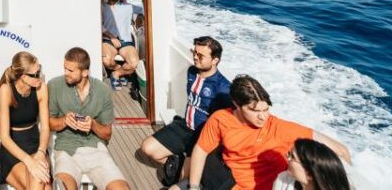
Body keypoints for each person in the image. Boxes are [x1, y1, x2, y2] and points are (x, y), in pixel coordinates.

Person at [185, 75, 351, 190]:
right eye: (255, 111)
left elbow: (341, 149)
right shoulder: (221, 119)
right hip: (230, 182)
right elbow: (201, 150)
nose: (263, 116)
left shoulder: (279, 128)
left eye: (266, 109)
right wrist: (193, 187)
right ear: (236, 104)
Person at [140, 36, 231, 184]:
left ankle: (184, 168)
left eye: (200, 55)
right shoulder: (191, 72)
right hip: (184, 126)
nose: (195, 57)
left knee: (183, 179)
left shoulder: (224, 89)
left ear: (215, 60)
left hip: (201, 137)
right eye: (194, 52)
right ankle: (179, 161)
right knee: (147, 148)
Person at [48, 47, 130, 190]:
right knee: (63, 187)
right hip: (67, 150)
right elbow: (49, 123)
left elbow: (107, 133)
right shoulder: (55, 85)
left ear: (85, 72)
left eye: (70, 71)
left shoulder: (102, 90)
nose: (65, 73)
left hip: (96, 150)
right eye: (65, 68)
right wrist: (64, 121)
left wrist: (92, 125)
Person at [0, 51, 51, 190]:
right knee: (41, 183)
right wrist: (29, 161)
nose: (40, 76)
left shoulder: (40, 88)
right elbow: (4, 137)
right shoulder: (6, 90)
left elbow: (45, 128)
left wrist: (41, 152)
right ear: (24, 77)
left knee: (39, 182)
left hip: (35, 144)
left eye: (40, 70)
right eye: (36, 74)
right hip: (13, 149)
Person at [101, 0, 143, 90]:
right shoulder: (102, 7)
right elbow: (98, 25)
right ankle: (125, 73)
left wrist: (142, 22)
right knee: (106, 60)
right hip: (108, 40)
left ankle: (116, 74)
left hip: (125, 41)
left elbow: (144, 10)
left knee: (134, 63)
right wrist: (111, 37)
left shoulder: (127, 7)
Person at [273, 138, 351, 190]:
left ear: (309, 173)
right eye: (289, 153)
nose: (287, 157)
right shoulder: (283, 180)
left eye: (292, 156)